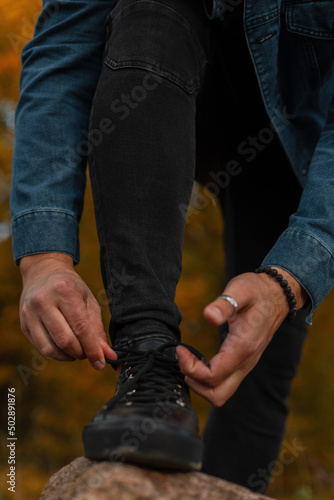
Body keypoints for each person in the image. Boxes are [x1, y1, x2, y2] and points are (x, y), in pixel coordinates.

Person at [10, 0, 334, 493]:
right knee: (150, 13)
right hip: (157, 72)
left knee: (256, 366)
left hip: (297, 138)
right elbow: (66, 45)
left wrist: (286, 282)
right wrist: (44, 258)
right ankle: (148, 361)